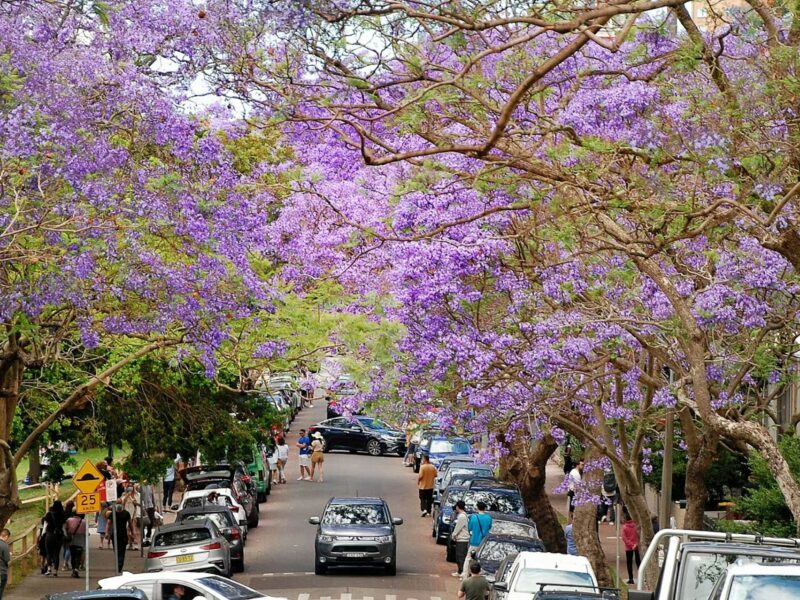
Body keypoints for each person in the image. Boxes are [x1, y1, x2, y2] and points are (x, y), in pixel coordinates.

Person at [463, 501, 492, 580]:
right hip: (484, 543)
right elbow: (489, 528)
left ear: (477, 508)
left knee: (468, 558)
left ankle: (465, 576)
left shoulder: (473, 517)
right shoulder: (489, 518)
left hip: (474, 541)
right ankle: (479, 577)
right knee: (481, 560)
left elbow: (469, 528)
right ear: (485, 508)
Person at [43, 500, 65, 576]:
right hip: (59, 535)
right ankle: (55, 571)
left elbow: (45, 525)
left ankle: (49, 569)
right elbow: (64, 526)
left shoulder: (49, 514)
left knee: (48, 553)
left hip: (49, 534)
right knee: (56, 554)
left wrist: (42, 535)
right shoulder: (62, 514)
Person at [110, 500, 131, 573]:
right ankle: (118, 563)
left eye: (120, 503)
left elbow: (130, 523)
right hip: (114, 535)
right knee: (116, 550)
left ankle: (120, 564)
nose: (118, 505)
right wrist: (107, 532)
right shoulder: (112, 513)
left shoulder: (126, 513)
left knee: (122, 551)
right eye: (117, 503)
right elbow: (109, 523)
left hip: (123, 535)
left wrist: (132, 532)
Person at [450, 500, 470, 577]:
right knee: (458, 555)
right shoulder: (462, 515)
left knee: (461, 556)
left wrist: (453, 535)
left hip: (463, 539)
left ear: (458, 507)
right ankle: (459, 571)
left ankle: (462, 571)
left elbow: (458, 527)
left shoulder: (462, 516)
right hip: (461, 538)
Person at [64, 512, 86, 578]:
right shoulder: (84, 522)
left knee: (73, 556)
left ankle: (73, 569)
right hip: (80, 540)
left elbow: (65, 528)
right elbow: (86, 532)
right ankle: (76, 569)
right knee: (78, 556)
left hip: (72, 539)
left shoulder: (69, 520)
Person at [622, 511, 641, 584]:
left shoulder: (625, 527)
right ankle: (641, 576)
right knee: (638, 561)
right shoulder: (636, 526)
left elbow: (624, 538)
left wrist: (630, 545)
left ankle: (631, 578)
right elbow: (638, 535)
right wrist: (635, 544)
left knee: (629, 562)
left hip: (628, 547)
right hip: (637, 546)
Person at [122, 484, 141, 550]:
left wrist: (135, 502)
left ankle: (135, 544)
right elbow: (122, 504)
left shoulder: (138, 495)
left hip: (134, 515)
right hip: (126, 515)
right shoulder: (124, 495)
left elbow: (141, 504)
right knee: (127, 531)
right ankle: (129, 543)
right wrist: (127, 497)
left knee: (134, 530)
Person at [0, 528, 10, 598]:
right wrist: (10, 554)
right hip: (1, 571)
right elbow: (7, 559)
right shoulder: (4, 545)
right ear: (6, 536)